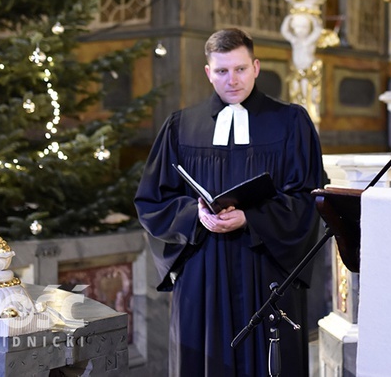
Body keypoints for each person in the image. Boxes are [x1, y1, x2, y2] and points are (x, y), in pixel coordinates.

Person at [135, 28, 324, 376]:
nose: (232, 80)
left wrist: (250, 218)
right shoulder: (180, 127)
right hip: (203, 272)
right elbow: (152, 200)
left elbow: (307, 198)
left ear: (256, 67)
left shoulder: (290, 122)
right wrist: (196, 215)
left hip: (266, 267)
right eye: (222, 71)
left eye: (240, 69)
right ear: (208, 72)